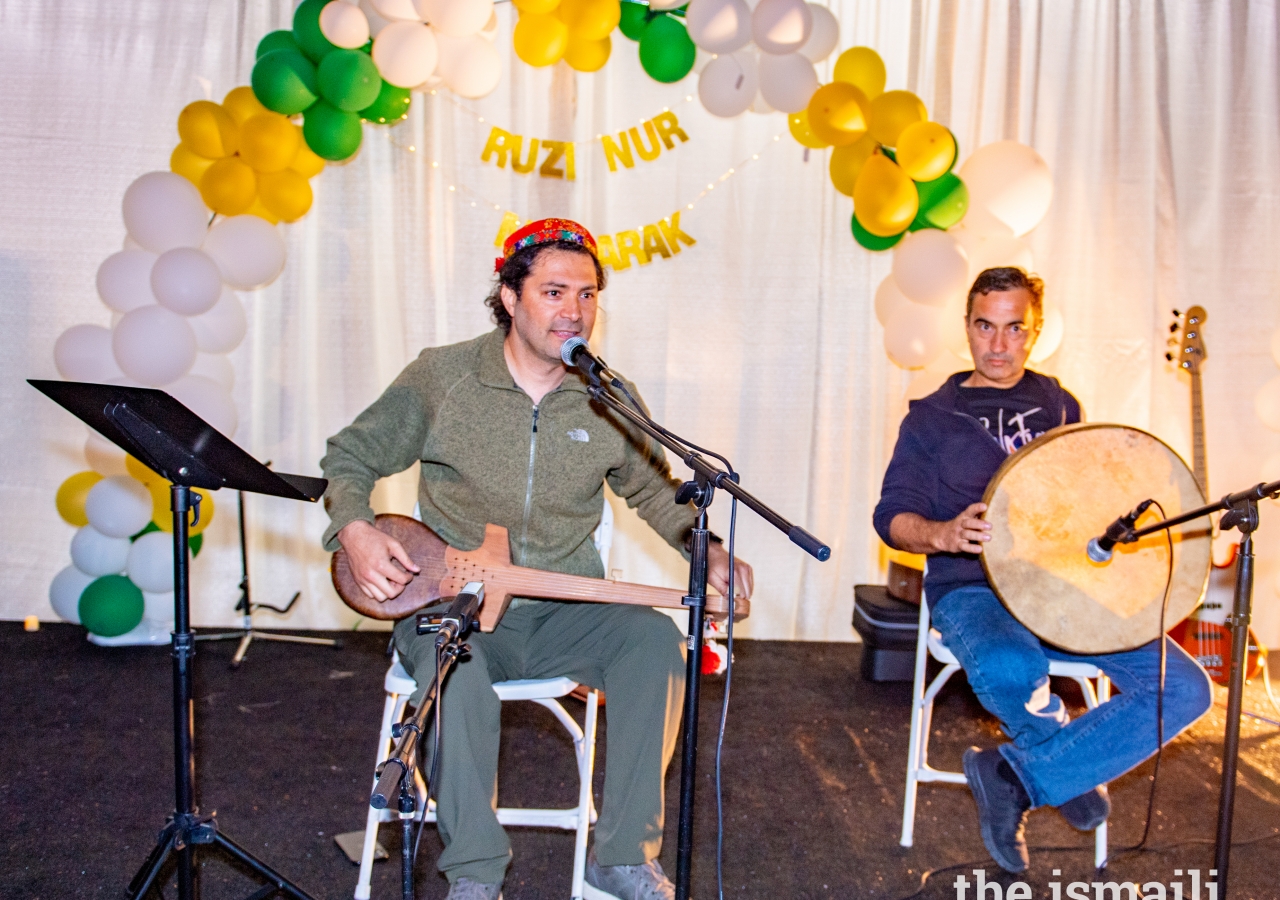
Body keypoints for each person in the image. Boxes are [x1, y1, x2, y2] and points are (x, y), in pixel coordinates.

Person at [321, 218, 754, 900]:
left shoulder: (607, 395)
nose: (573, 310)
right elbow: (350, 456)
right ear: (510, 296)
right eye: (554, 291)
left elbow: (654, 491)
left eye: (587, 295)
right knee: (452, 669)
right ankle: (475, 871)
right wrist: (352, 527)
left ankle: (621, 855)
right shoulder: (444, 376)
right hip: (451, 605)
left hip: (565, 608)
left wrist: (711, 551)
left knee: (656, 646)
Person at [873, 267, 1212, 873]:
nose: (998, 345)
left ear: (1034, 332)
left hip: (1066, 586)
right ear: (967, 328)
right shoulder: (929, 417)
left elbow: (1091, 495)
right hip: (971, 587)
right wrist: (943, 533)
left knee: (1185, 688)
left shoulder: (1060, 404)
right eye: (985, 326)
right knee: (1010, 665)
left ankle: (1015, 775)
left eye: (1013, 329)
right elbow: (891, 515)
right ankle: (1060, 755)